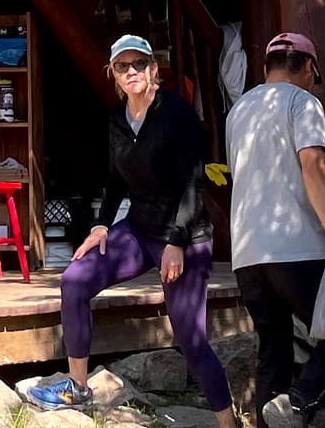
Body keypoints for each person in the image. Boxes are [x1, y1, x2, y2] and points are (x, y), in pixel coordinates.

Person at [26, 35, 233, 424]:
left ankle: (227, 422)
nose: (132, 71)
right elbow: (116, 179)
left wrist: (176, 241)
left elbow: (192, 183)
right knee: (74, 281)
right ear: (114, 74)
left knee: (190, 337)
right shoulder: (117, 119)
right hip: (138, 230)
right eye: (123, 66)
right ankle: (77, 387)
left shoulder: (178, 114)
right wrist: (102, 225)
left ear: (154, 69)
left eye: (139, 64)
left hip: (185, 237)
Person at [226, 33, 325, 428]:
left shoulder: (238, 111)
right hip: (296, 246)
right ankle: (298, 404)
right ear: (307, 67)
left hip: (247, 254)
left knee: (274, 350)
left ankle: (275, 418)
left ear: (267, 67)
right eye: (314, 74)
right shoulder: (303, 102)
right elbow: (315, 168)